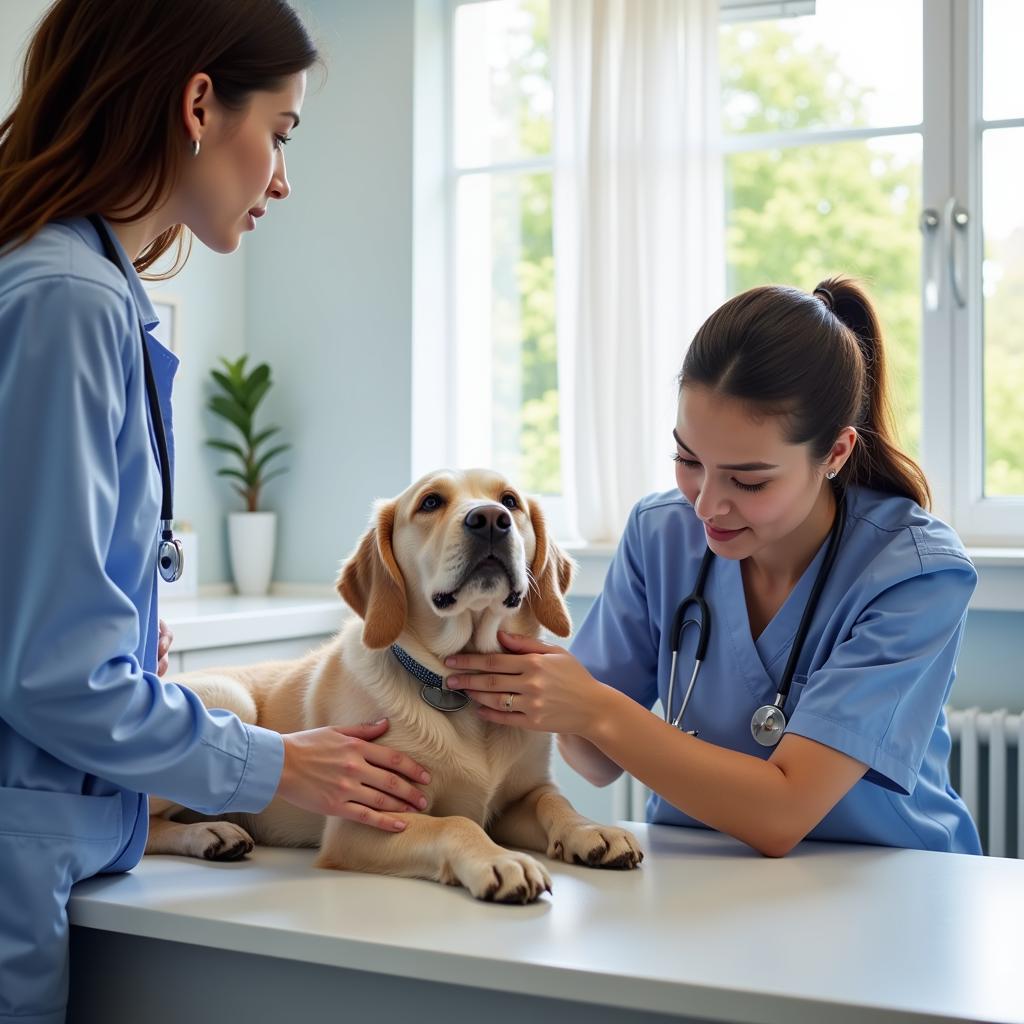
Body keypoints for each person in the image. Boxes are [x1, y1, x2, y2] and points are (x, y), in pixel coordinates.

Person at [0, 3, 430, 1020]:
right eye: (279, 133)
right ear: (199, 104)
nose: (282, 177)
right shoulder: (68, 302)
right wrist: (280, 764)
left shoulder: (69, 285)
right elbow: (49, 673)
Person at [445, 277, 982, 859]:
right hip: (700, 875)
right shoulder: (660, 533)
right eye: (687, 459)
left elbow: (782, 814)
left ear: (836, 452)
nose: (705, 505)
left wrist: (595, 708)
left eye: (749, 480)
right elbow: (593, 759)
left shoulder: (915, 572)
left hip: (896, 882)